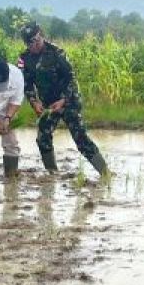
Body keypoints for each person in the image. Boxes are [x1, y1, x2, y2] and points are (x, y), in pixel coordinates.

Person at [19, 22, 107, 176]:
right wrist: (34, 102)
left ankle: (106, 174)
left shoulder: (57, 52)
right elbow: (26, 85)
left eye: (37, 41)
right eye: (30, 43)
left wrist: (64, 101)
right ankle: (52, 175)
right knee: (43, 138)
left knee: (81, 139)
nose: (34, 46)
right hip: (48, 105)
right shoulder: (25, 59)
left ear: (41, 36)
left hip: (68, 101)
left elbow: (71, 79)